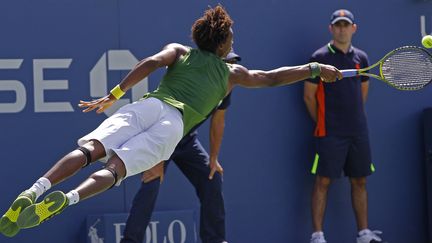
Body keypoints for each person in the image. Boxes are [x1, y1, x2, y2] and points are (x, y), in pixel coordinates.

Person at [0, 5, 341, 238]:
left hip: (148, 106)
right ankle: (70, 199)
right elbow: (269, 78)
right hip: (173, 127)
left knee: (91, 149)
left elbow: (149, 62)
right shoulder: (231, 72)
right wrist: (313, 68)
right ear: (222, 43)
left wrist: (115, 94)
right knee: (116, 169)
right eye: (231, 39)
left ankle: (36, 190)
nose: (233, 42)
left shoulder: (180, 51)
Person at [120, 51, 241, 243]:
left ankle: (215, 240)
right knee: (151, 182)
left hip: (186, 140)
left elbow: (219, 120)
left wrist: (213, 158)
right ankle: (131, 240)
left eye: (232, 64)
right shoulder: (195, 83)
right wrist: (158, 158)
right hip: (161, 135)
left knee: (212, 177)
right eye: (226, 64)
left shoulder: (226, 85)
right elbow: (169, 121)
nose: (230, 68)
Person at [303, 9, 385, 243]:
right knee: (323, 181)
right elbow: (309, 97)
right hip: (328, 132)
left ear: (353, 28)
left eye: (345, 25)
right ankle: (317, 236)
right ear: (331, 29)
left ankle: (363, 234)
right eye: (337, 25)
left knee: (360, 180)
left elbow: (363, 92)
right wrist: (324, 121)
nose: (341, 29)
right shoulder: (318, 57)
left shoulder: (362, 58)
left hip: (358, 132)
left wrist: (352, 118)